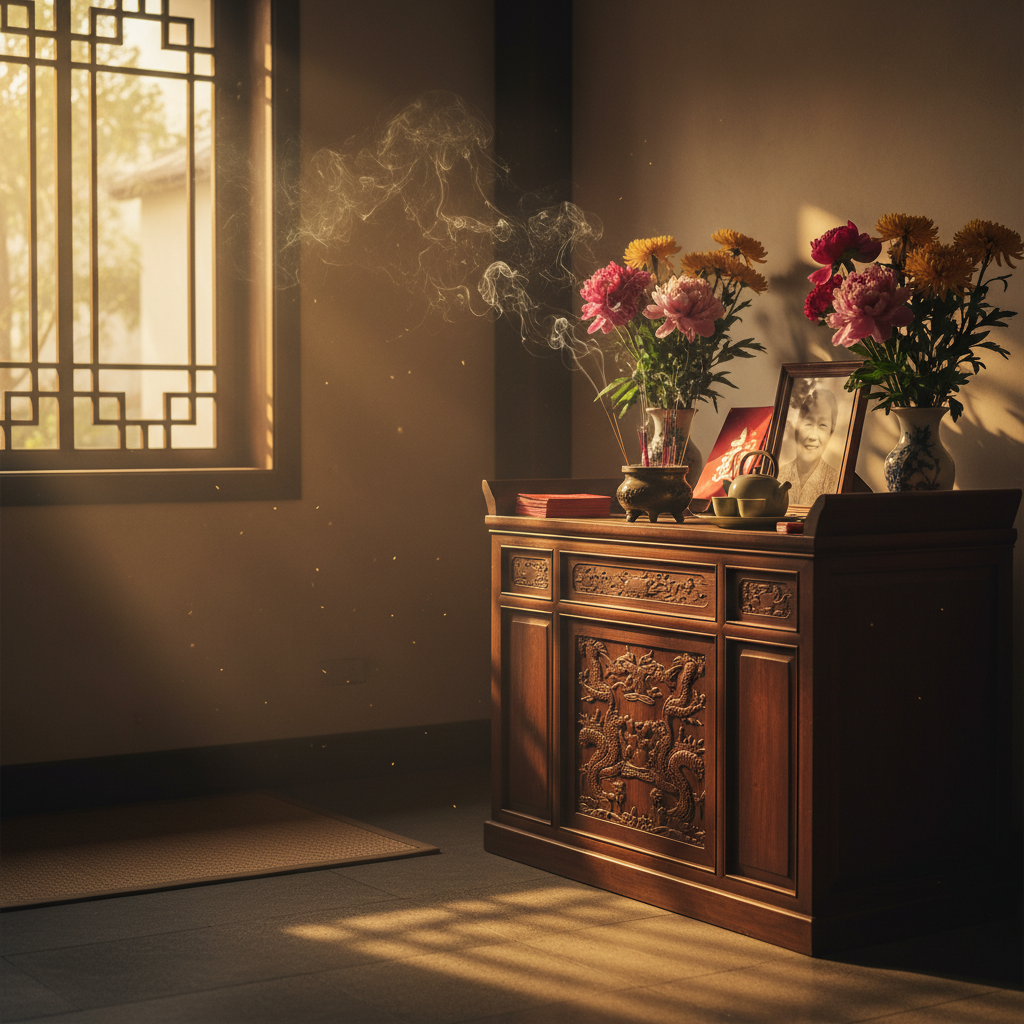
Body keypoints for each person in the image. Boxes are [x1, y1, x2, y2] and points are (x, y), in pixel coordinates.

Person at [778, 388, 840, 506]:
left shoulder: (836, 481)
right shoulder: (778, 476)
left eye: (822, 425)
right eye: (808, 423)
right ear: (796, 427)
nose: (813, 436)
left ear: (831, 432)